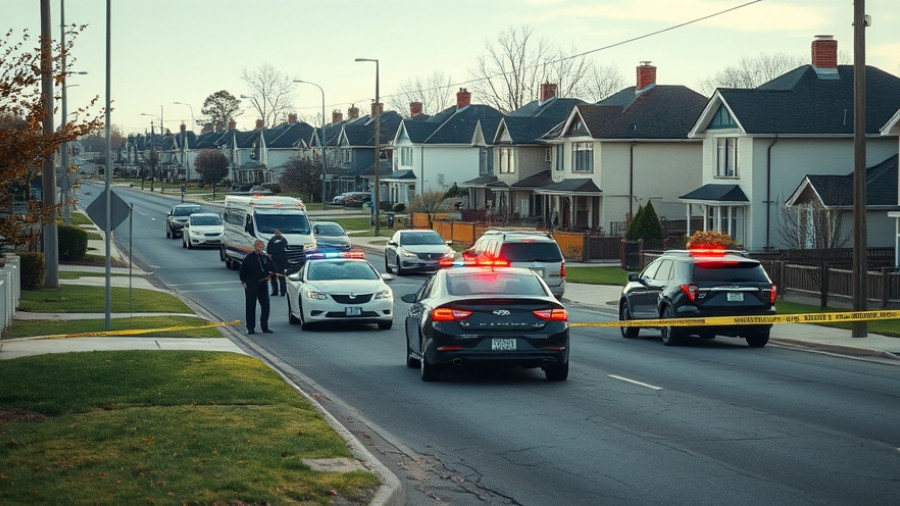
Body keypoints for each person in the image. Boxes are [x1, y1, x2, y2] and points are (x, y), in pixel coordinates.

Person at [239, 239, 276, 334]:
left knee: (266, 305)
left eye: (262, 246)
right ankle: (250, 328)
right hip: (251, 284)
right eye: (259, 246)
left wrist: (270, 276)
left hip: (263, 284)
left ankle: (264, 326)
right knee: (250, 306)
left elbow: (272, 269)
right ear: (255, 247)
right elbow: (242, 271)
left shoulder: (266, 257)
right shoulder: (249, 258)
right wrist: (243, 282)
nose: (261, 248)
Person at [267, 228, 289, 296]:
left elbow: (287, 249)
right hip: (274, 260)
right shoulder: (272, 240)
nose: (277, 234)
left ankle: (282, 291)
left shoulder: (283, 240)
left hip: (281, 261)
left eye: (278, 233)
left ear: (280, 233)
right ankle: (275, 291)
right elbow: (268, 250)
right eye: (276, 233)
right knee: (274, 276)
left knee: (281, 277)